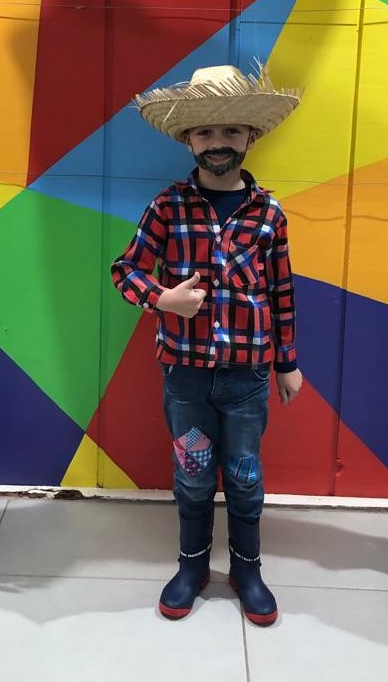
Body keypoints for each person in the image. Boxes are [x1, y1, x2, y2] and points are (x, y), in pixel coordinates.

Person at [111, 65, 303, 626]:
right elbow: (126, 270)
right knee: (193, 474)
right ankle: (192, 566)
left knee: (244, 475)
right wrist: (164, 299)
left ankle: (247, 569)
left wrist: (287, 363)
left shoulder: (269, 214)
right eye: (205, 132)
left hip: (247, 377)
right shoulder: (168, 207)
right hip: (186, 377)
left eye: (231, 131)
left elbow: (282, 292)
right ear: (188, 140)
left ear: (251, 136)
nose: (218, 142)